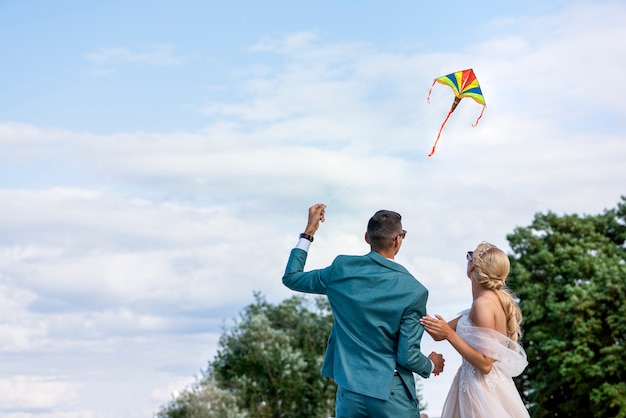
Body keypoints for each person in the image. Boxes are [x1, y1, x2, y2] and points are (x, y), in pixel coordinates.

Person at [282, 203, 445, 418]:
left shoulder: (341, 269)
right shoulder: (414, 291)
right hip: (391, 394)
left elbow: (292, 277)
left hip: (349, 395)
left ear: (367, 238)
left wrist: (309, 232)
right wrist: (432, 363)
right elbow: (407, 356)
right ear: (398, 240)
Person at [420, 242, 530, 418]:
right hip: (472, 385)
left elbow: (486, 364)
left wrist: (450, 335)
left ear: (473, 266)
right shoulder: (480, 305)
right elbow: (438, 333)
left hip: (482, 392)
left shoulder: (483, 305)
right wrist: (413, 305)